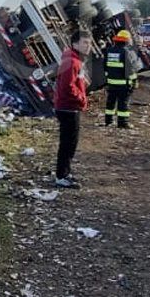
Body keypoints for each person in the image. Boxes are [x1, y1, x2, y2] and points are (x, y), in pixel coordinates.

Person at [52, 30, 91, 188]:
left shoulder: (74, 59)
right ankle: (62, 176)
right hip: (68, 108)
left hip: (69, 107)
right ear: (75, 44)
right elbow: (67, 86)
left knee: (70, 143)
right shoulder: (72, 61)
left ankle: (65, 173)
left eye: (89, 43)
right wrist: (81, 98)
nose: (88, 46)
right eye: (84, 43)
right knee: (68, 143)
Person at [102, 29, 139, 128]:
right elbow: (130, 69)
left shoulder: (109, 51)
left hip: (111, 83)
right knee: (123, 103)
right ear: (126, 41)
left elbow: (105, 67)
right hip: (123, 84)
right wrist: (134, 81)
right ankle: (123, 123)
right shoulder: (126, 52)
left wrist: (108, 78)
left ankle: (108, 121)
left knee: (110, 103)